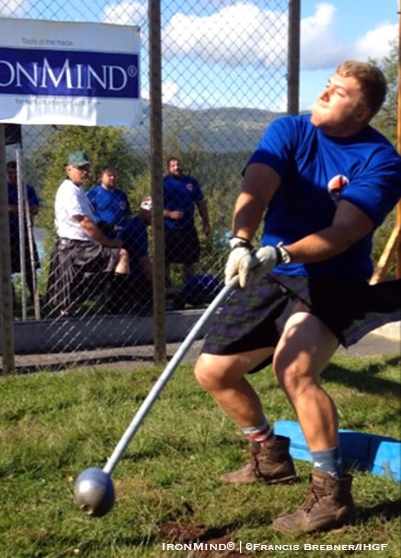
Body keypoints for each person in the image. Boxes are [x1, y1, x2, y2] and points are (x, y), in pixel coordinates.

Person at [193, 61, 401, 534]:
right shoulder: (290, 129)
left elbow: (345, 231)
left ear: (362, 110)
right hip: (270, 268)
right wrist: (240, 240)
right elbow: (257, 186)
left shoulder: (382, 162)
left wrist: (280, 250)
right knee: (213, 371)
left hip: (331, 278)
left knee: (295, 369)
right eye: (326, 84)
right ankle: (269, 454)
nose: (324, 93)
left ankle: (332, 493)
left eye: (339, 91)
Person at [46, 151, 129, 317]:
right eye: (80, 168)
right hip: (74, 247)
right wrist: (107, 242)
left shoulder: (79, 190)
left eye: (86, 168)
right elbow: (85, 222)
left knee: (71, 300)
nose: (84, 171)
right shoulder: (68, 191)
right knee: (121, 255)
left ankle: (112, 302)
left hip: (82, 245)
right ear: (68, 169)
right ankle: (115, 303)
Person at [163, 157, 211, 286]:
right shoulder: (162, 184)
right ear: (168, 168)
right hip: (169, 228)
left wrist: (206, 223)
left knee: (190, 260)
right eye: (173, 165)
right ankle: (166, 290)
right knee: (166, 260)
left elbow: (200, 204)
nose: (176, 167)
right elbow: (153, 208)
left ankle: (190, 289)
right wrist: (169, 214)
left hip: (188, 228)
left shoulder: (191, 183)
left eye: (178, 164)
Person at [6, 160, 41, 301]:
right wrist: (23, 208)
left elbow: (35, 209)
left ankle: (35, 296)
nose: (13, 176)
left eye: (16, 173)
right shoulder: (2, 189)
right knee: (7, 268)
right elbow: (2, 208)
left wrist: (14, 209)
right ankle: (11, 298)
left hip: (25, 233)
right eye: (10, 173)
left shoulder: (28, 189)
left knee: (30, 268)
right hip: (8, 234)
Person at [115, 197, 153, 314]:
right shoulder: (137, 228)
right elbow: (144, 261)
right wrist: (160, 284)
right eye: (151, 213)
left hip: (132, 270)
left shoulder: (135, 224)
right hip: (132, 274)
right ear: (144, 212)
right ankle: (128, 303)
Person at [87, 166, 131, 238]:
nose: (112, 178)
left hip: (122, 235)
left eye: (114, 176)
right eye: (109, 175)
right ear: (101, 177)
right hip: (102, 234)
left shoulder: (121, 194)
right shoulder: (93, 194)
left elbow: (128, 214)